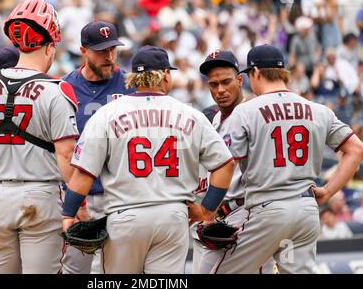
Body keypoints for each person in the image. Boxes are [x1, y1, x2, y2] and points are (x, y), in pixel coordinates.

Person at [62, 45, 235, 274]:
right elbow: (225, 164)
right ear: (165, 75)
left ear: (134, 78)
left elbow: (83, 174)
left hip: (124, 217)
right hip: (172, 217)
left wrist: (68, 214)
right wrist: (206, 210)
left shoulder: (107, 113)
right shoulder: (190, 114)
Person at [212, 44, 363, 274]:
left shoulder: (245, 111)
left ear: (256, 73)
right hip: (305, 211)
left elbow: (225, 163)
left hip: (266, 210)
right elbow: (356, 150)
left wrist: (207, 211)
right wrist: (329, 190)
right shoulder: (318, 109)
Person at [0, 0, 79, 274]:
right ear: (51, 46)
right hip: (41, 195)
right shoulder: (57, 89)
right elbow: (67, 156)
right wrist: (76, 205)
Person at [61, 20, 134, 274]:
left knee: (118, 271)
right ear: (83, 51)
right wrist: (74, 202)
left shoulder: (129, 86)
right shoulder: (64, 89)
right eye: (101, 50)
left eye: (112, 49)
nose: (109, 56)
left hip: (122, 197)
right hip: (80, 195)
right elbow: (59, 149)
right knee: (75, 269)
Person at [192, 50, 274, 274]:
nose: (220, 90)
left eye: (226, 82)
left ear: (240, 80)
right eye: (213, 84)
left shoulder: (255, 114)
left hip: (247, 212)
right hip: (220, 216)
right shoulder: (214, 119)